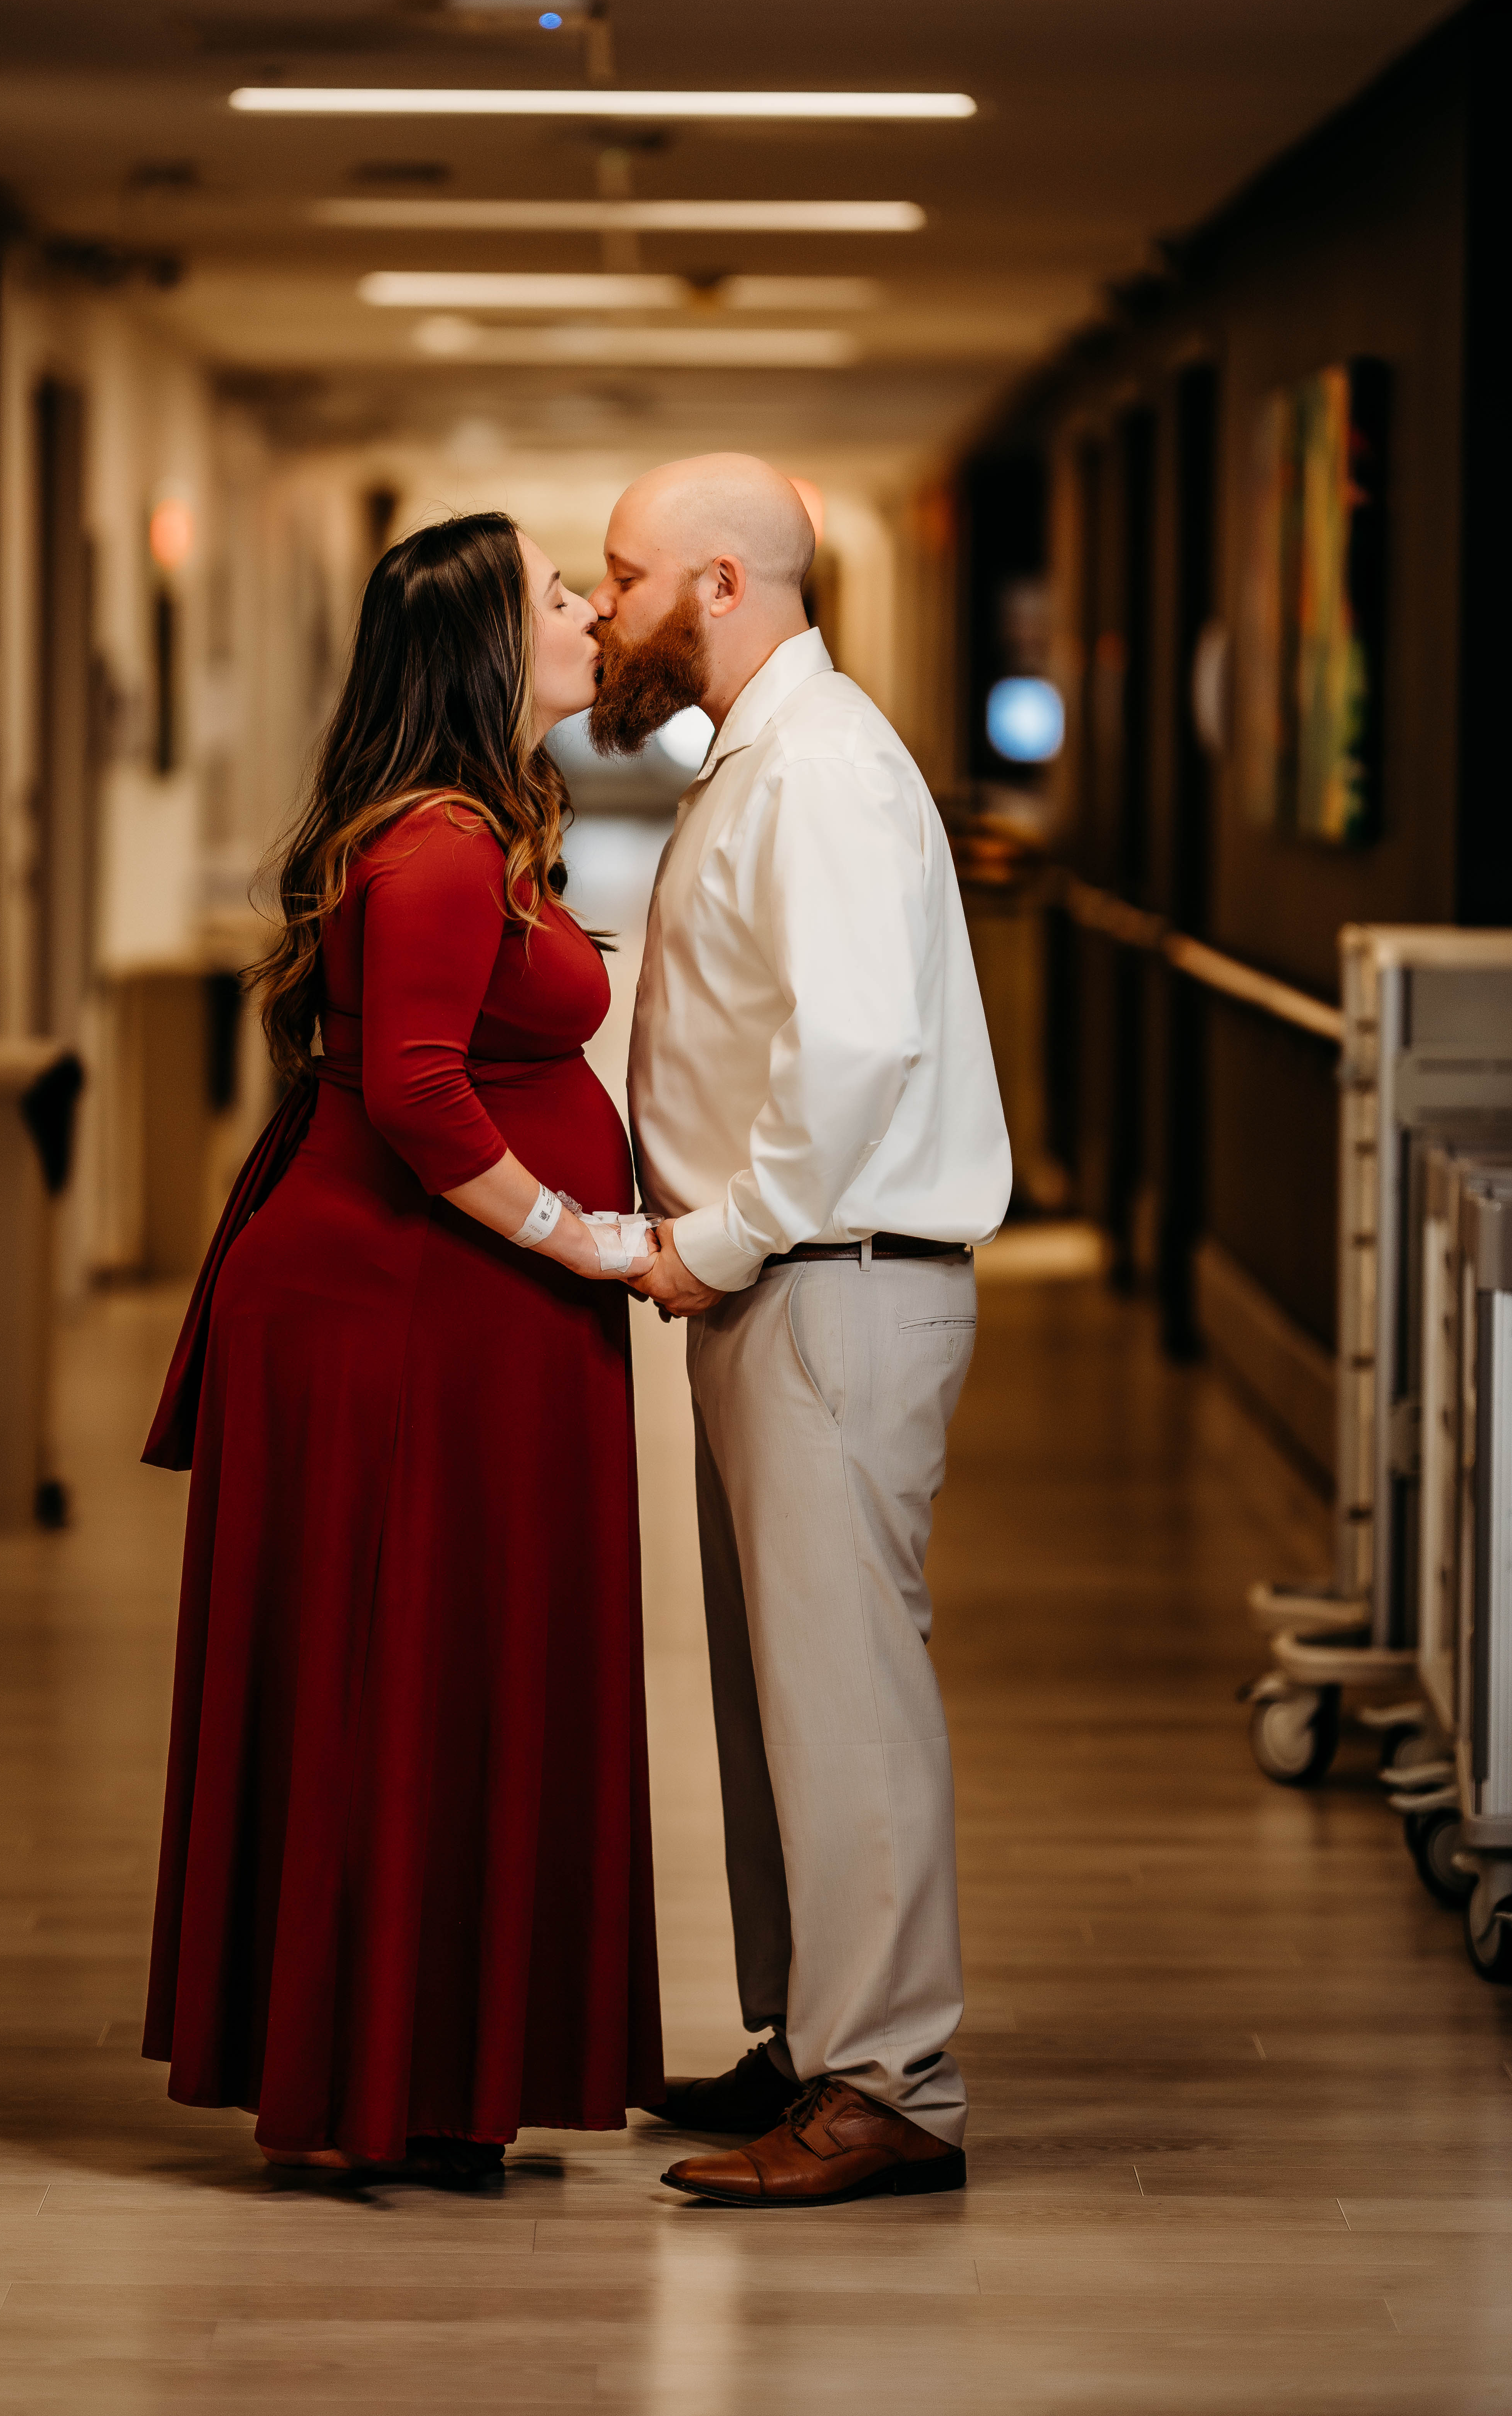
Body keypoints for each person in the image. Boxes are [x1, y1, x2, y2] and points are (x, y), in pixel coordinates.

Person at [141, 510, 665, 2183]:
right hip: (397, 1313)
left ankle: (430, 2064)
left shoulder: (470, 825)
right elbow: (425, 1091)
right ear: (492, 644)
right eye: (561, 591)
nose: (591, 611)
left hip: (438, 1313)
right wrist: (582, 1236)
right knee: (406, 1668)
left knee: (449, 1672)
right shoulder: (437, 844)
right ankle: (388, 2073)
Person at [590, 454, 1011, 2209]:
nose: (599, 607)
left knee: (841, 1694)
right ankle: (806, 2032)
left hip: (827, 1270)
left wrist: (727, 1232)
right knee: (781, 1690)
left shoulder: (824, 770)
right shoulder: (767, 755)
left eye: (619, 577)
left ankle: (890, 2076)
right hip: (780, 1277)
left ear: (714, 585)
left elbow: (850, 1055)